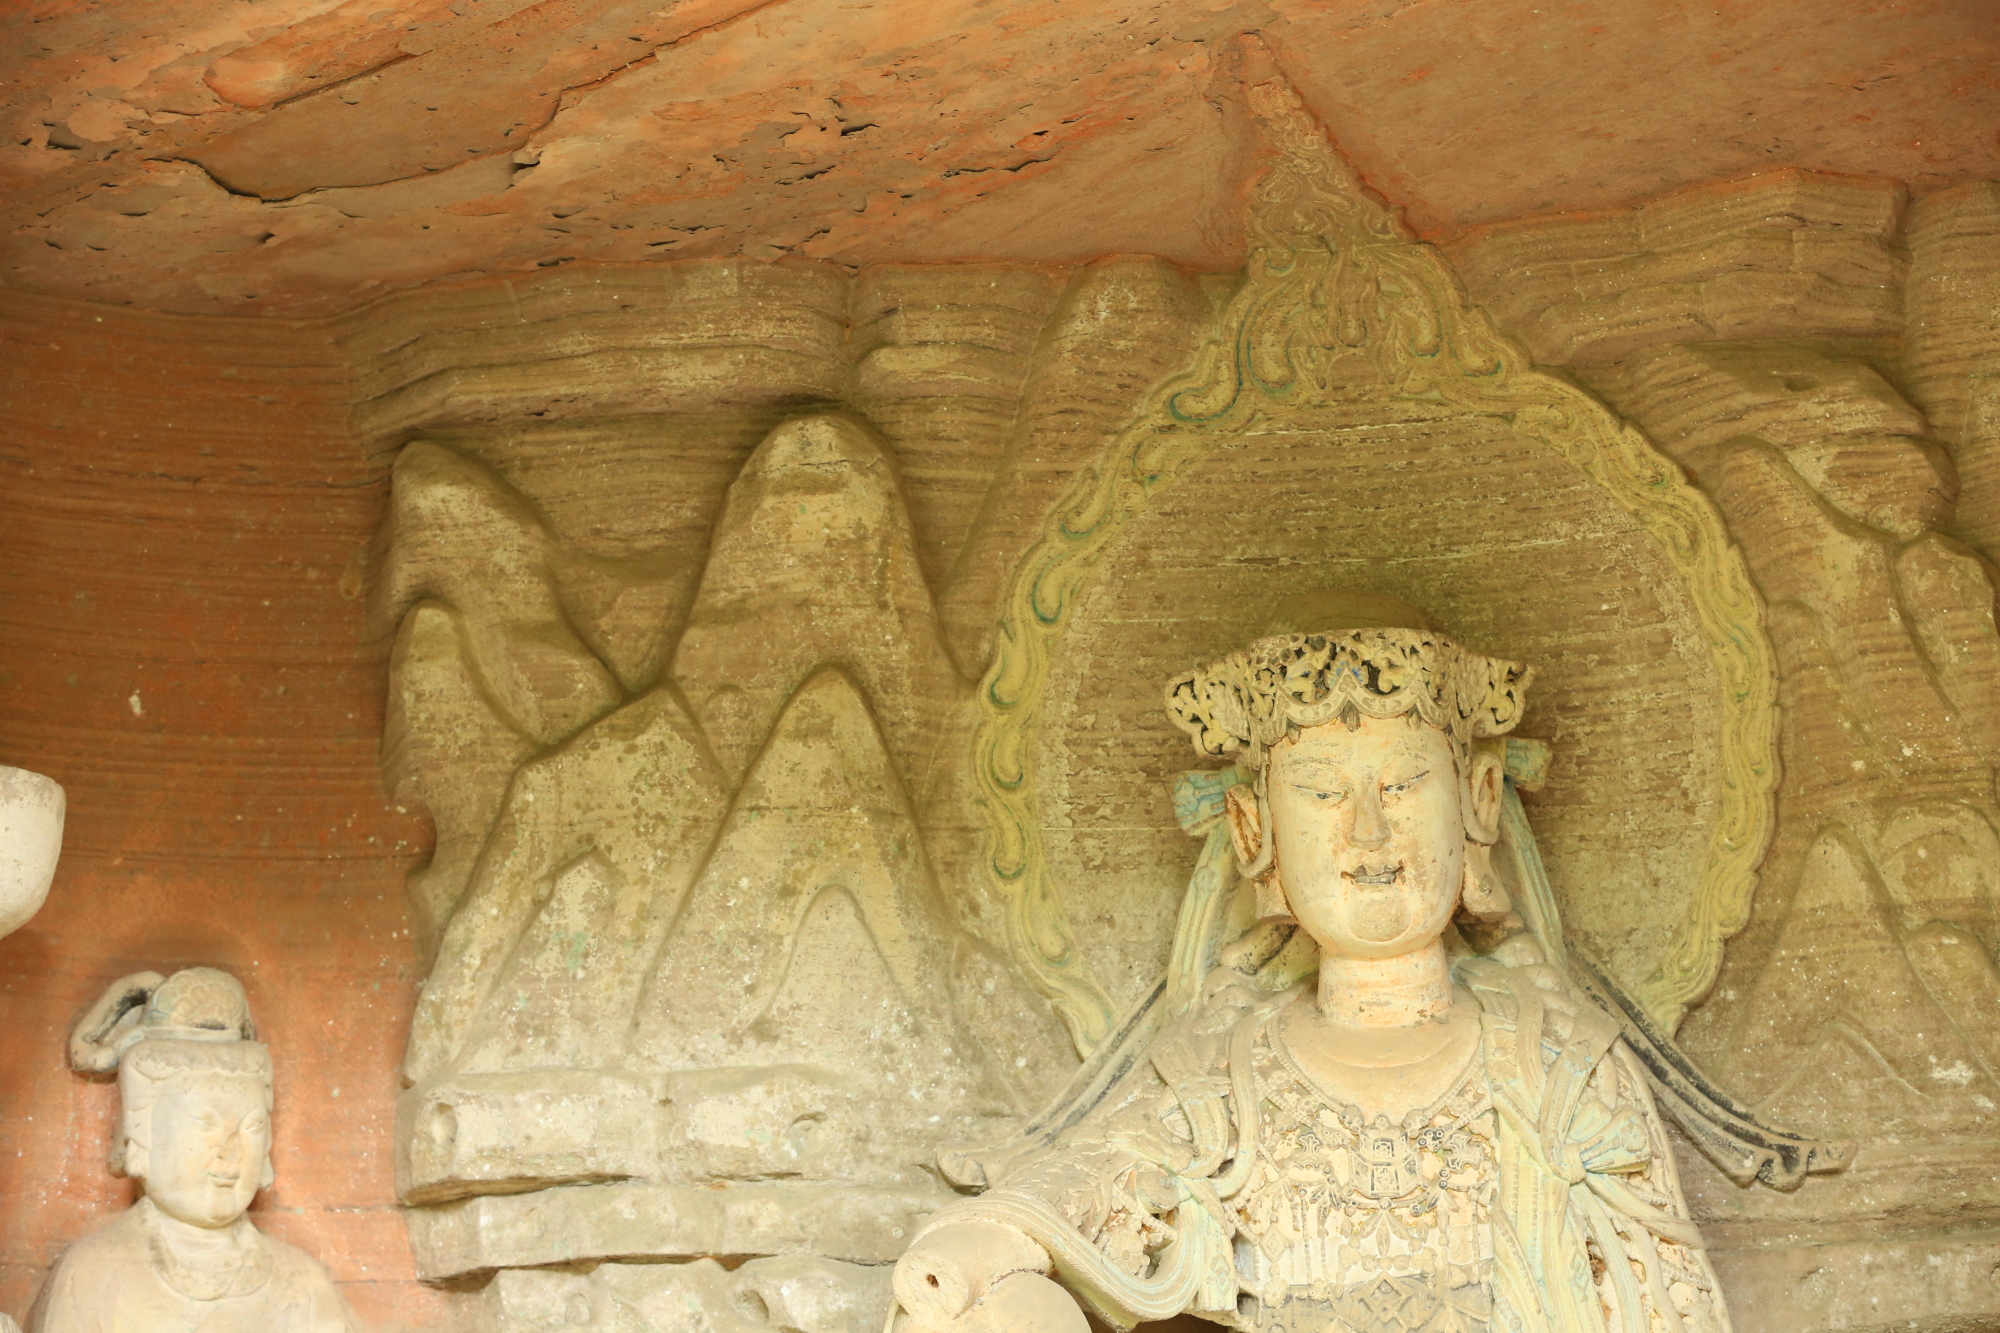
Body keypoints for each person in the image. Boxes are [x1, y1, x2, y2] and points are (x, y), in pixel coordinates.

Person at [891, 627, 1730, 1333]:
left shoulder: (1561, 1068)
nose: (1370, 831)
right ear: (1253, 827)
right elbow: (1089, 1185)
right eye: (1324, 791)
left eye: (1403, 783)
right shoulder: (1223, 1070)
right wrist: (979, 1245)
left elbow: (1671, 1303)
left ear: (1477, 799)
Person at [27, 967, 359, 1333]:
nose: (229, 1152)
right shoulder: (94, 1274)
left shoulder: (302, 1283)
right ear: (141, 1132)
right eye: (204, 1124)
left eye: (251, 1127)